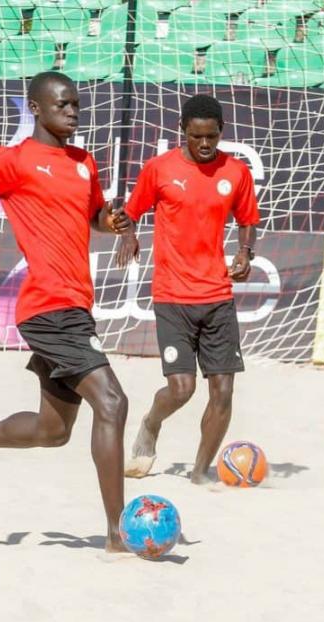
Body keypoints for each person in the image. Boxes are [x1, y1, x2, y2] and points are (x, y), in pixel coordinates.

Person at [0, 72, 133, 553]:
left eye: (77, 104)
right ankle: (118, 534)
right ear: (36, 108)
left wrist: (111, 221)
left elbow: (93, 216)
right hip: (46, 306)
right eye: (63, 104)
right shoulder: (13, 162)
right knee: (113, 403)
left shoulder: (83, 162)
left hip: (75, 305)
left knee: (53, 431)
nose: (73, 111)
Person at [118, 94, 260, 485]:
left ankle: (200, 473)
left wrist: (245, 252)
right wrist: (128, 235)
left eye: (211, 137)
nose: (204, 144)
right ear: (183, 131)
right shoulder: (160, 169)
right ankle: (150, 423)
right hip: (172, 296)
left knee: (224, 392)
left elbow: (248, 220)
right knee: (181, 388)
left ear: (221, 133)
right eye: (196, 136)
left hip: (216, 296)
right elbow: (129, 213)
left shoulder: (236, 172)